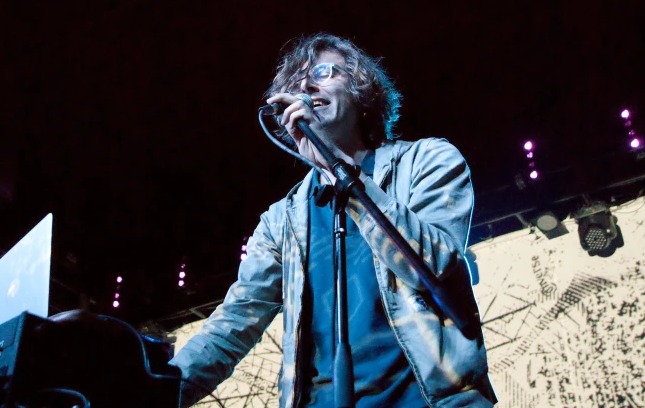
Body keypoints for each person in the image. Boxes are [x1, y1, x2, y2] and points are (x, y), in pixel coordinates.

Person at [170, 33, 497, 407]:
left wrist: (338, 168)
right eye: (296, 83)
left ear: (360, 91)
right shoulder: (282, 221)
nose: (306, 86)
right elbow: (232, 326)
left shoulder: (428, 160)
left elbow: (436, 266)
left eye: (323, 72)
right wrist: (157, 391)